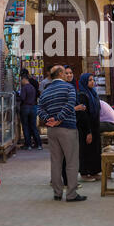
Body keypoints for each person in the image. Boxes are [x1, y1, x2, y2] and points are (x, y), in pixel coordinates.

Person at [38, 65, 87, 202]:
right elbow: (70, 104)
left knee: (56, 162)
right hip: (68, 129)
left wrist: (49, 119)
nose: (67, 75)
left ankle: (57, 192)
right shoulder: (68, 88)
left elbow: (39, 108)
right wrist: (59, 118)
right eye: (65, 73)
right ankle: (71, 194)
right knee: (71, 161)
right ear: (60, 74)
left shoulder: (46, 91)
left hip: (52, 130)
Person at [77, 73, 101, 182]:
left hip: (94, 126)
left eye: (93, 80)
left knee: (94, 149)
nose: (92, 82)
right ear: (84, 82)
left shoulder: (93, 93)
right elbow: (83, 115)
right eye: (90, 80)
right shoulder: (82, 95)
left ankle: (93, 171)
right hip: (86, 127)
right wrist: (88, 131)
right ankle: (85, 173)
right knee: (86, 150)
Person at [20, 74, 43, 151]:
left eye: (21, 80)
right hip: (33, 107)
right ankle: (39, 144)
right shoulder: (32, 87)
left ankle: (28, 144)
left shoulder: (24, 88)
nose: (21, 81)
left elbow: (22, 98)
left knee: (25, 126)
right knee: (33, 126)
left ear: (24, 79)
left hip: (25, 107)